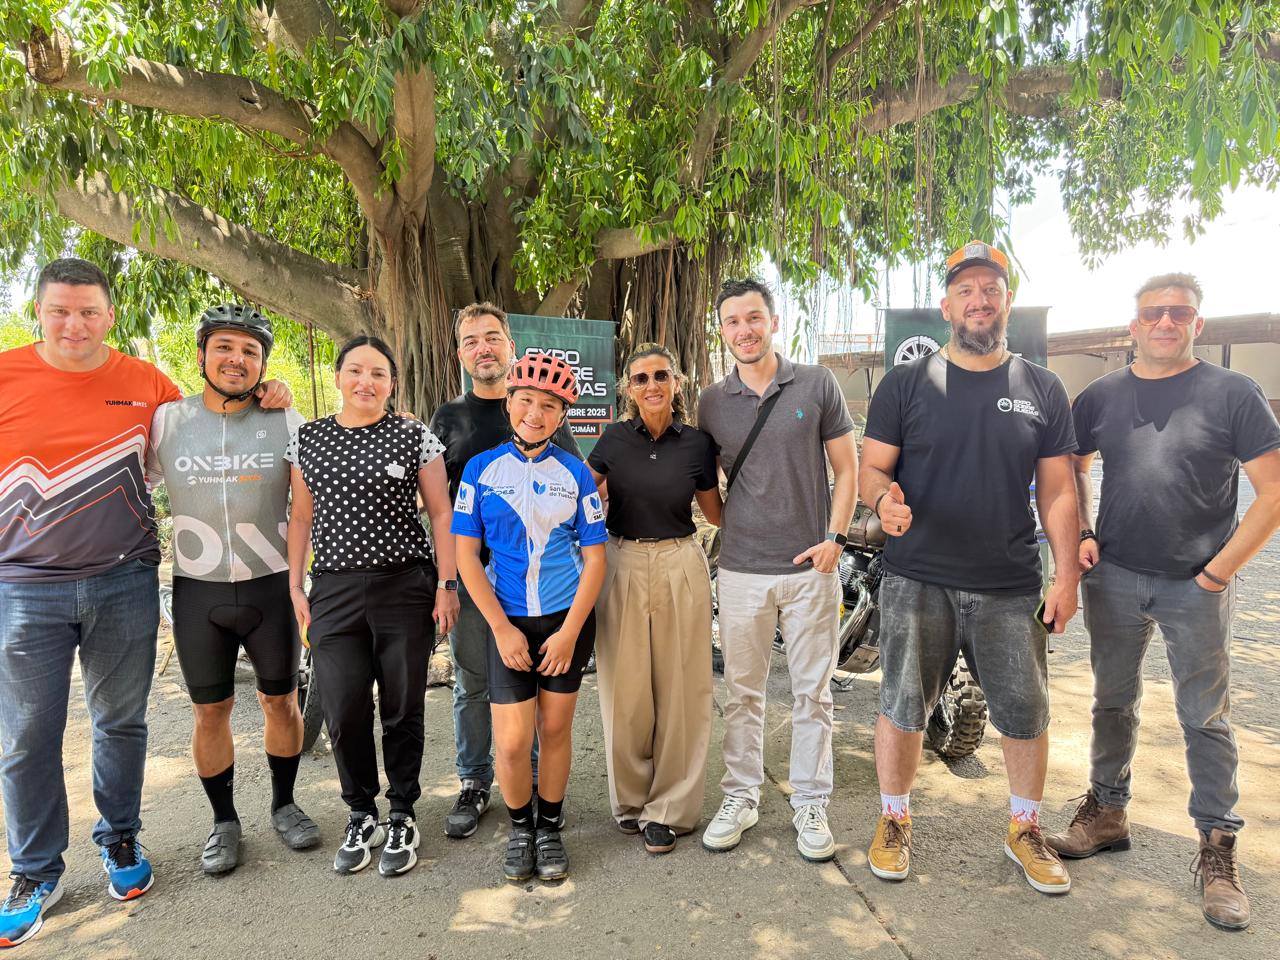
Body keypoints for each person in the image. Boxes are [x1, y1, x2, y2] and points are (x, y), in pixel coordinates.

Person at [0, 260, 288, 948]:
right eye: (60, 310)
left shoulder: (148, 388)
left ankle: (121, 839)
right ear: (39, 312)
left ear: (109, 316)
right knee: (27, 734)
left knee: (121, 723)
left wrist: (269, 390)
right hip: (24, 584)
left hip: (124, 578)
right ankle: (35, 871)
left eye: (88, 311)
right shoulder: (5, 375)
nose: (74, 324)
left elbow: (214, 421)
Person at [1047, 274, 1280, 929]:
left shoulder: (1233, 393)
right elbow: (1071, 466)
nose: (1165, 322)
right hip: (1115, 576)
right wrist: (1084, 533)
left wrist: (1218, 573)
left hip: (1194, 585)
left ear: (1197, 324)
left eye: (1179, 313)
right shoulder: (1102, 395)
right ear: (1134, 325)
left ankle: (1218, 848)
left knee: (1205, 717)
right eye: (1153, 313)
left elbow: (1273, 492)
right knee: (1111, 701)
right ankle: (1107, 812)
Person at [859, 241, 1080, 895]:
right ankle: (894, 819)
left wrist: (1067, 575)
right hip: (916, 578)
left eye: (991, 289)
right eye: (966, 290)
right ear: (946, 305)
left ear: (1007, 301)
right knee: (902, 706)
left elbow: (1059, 490)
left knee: (1025, 712)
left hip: (1010, 583)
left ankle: (1025, 829)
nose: (979, 301)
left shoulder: (1042, 387)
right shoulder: (906, 384)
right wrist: (882, 500)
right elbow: (872, 468)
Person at [147, 305, 319, 876]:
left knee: (281, 702)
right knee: (209, 712)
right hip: (199, 591)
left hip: (271, 587)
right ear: (201, 355)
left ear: (263, 364)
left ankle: (284, 804)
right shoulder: (166, 421)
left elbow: (313, 498)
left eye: (250, 351)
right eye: (224, 347)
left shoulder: (287, 420)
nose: (236, 359)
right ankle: (223, 821)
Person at [696, 278, 858, 863]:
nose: (744, 330)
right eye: (733, 321)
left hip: (811, 568)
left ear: (773, 322)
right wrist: (737, 529)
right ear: (722, 330)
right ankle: (740, 796)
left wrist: (834, 539)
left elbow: (847, 468)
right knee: (743, 693)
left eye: (754, 318)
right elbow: (709, 489)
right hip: (742, 571)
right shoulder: (712, 402)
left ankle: (810, 802)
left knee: (813, 693)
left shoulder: (816, 383)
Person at [285, 335, 458, 878]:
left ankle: (403, 811)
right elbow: (301, 517)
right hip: (333, 592)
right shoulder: (308, 439)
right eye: (356, 370)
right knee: (342, 708)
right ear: (338, 376)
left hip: (404, 587)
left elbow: (441, 512)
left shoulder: (413, 436)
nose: (366, 381)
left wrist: (447, 583)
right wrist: (295, 586)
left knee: (403, 706)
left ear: (392, 383)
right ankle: (361, 812)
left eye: (378, 373)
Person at [428, 302, 582, 840]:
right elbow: (439, 509)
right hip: (475, 582)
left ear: (510, 346)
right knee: (472, 682)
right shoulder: (448, 418)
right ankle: (474, 781)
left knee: (532, 685)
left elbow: (575, 489)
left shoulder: (545, 410)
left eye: (492, 337)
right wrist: (447, 581)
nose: (483, 348)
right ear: (460, 353)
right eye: (471, 340)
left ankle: (535, 779)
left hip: (538, 588)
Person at [451, 353, 607, 882]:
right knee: (515, 741)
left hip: (566, 621)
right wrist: (500, 628)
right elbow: (466, 555)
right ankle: (521, 828)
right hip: (508, 623)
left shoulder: (576, 473)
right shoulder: (480, 470)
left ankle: (551, 827)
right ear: (509, 404)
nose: (535, 414)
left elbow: (595, 560)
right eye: (525, 401)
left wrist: (569, 633)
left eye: (548, 406)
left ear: (562, 415)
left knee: (556, 729)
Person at [588, 343, 721, 854]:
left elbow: (716, 512)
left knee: (682, 688)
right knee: (624, 690)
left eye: (661, 375)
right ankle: (630, 800)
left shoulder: (697, 444)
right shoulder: (613, 439)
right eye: (641, 378)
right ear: (628, 388)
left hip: (679, 561)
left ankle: (670, 808)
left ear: (676, 383)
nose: (651, 385)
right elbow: (579, 495)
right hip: (620, 560)